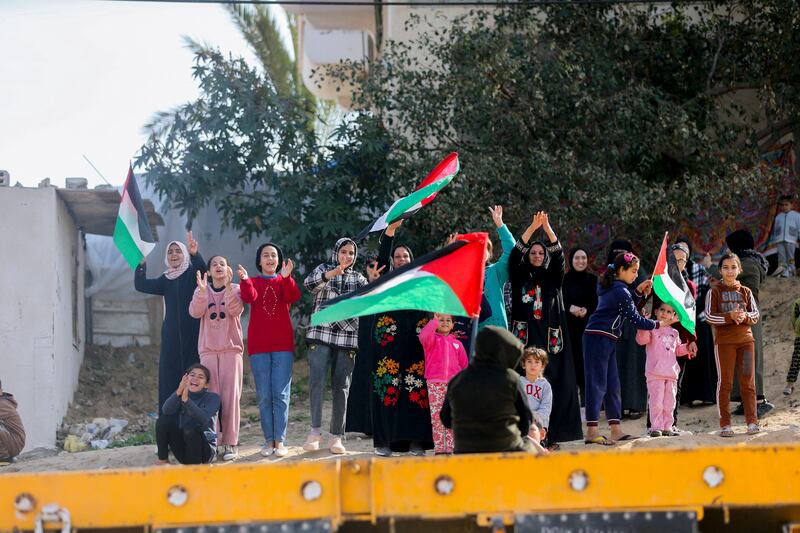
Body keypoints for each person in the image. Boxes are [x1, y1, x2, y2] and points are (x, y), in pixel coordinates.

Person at [583, 252, 676, 445]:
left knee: (612, 385)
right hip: (597, 338)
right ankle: (591, 431)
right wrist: (661, 324)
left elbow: (627, 307)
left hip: (605, 339)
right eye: (633, 271)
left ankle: (615, 430)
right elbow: (635, 319)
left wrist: (638, 293)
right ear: (621, 270)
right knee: (597, 384)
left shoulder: (615, 288)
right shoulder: (620, 291)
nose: (636, 275)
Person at [508, 211, 582, 446]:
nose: (538, 256)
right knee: (524, 384)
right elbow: (514, 256)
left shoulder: (553, 277)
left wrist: (548, 230)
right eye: (534, 253)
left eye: (541, 253)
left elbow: (559, 257)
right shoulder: (520, 275)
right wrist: (531, 228)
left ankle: (552, 436)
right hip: (526, 336)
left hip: (551, 340)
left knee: (553, 385)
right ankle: (524, 437)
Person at [369, 221, 433, 456]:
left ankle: (417, 442)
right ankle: (385, 443)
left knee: (415, 391)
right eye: (398, 256)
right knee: (388, 391)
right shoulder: (386, 279)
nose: (402, 259)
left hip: (416, 345)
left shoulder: (420, 280)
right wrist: (390, 232)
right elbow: (383, 256)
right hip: (388, 346)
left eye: (406, 256)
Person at [303, 237, 368, 454]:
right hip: (321, 333)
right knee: (317, 382)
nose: (347, 256)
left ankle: (336, 437)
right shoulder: (323, 269)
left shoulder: (359, 278)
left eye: (351, 253)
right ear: (336, 253)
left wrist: (374, 281)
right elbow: (309, 285)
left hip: (348, 338)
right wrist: (331, 274)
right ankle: (314, 432)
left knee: (342, 387)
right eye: (344, 252)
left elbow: (368, 302)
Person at [239, 244, 301, 458]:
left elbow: (292, 295)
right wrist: (246, 280)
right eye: (265, 255)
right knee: (264, 395)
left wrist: (285, 277)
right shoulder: (253, 282)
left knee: (281, 394)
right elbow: (249, 297)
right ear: (259, 260)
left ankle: (280, 441)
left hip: (283, 345)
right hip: (259, 346)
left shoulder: (284, 280)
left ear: (279, 260)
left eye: (273, 255)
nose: (270, 258)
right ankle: (268, 441)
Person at [135, 232, 206, 415]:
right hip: (171, 337)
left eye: (178, 251)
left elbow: (204, 273)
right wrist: (141, 264)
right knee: (170, 378)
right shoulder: (165, 279)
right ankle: (170, 422)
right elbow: (140, 285)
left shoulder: (192, 274)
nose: (174, 255)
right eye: (170, 252)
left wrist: (195, 254)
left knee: (194, 375)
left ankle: (193, 421)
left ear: (184, 254)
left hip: (193, 334)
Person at [439, 326, 540, 454]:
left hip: (465, 453)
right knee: (532, 447)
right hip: (507, 450)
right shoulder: (510, 378)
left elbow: (446, 420)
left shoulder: (457, 380)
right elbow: (526, 422)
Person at [188, 256, 244, 461]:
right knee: (210, 398)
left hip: (231, 351)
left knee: (231, 398)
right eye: (214, 264)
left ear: (227, 269)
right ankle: (213, 442)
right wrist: (202, 292)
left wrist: (228, 287)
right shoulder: (201, 289)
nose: (219, 266)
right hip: (209, 352)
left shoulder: (236, 289)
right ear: (209, 272)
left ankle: (230, 442)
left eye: (222, 263)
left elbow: (235, 310)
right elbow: (194, 312)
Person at [715, 229, 772, 417]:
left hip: (747, 318)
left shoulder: (747, 264)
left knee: (750, 360)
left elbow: (725, 274)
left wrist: (709, 266)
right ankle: (745, 400)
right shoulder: (750, 261)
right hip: (740, 317)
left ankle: (759, 400)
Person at [704, 252, 760, 437]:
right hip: (725, 344)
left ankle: (752, 422)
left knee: (748, 383)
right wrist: (730, 316)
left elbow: (755, 315)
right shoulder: (714, 291)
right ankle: (725, 424)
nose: (730, 271)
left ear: (739, 270)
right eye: (726, 267)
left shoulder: (746, 291)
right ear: (720, 270)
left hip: (746, 343)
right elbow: (709, 316)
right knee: (725, 383)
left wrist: (745, 316)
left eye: (733, 267)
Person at [646, 242, 698, 435]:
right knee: (656, 388)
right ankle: (653, 426)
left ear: (686, 262)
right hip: (657, 336)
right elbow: (644, 298)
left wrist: (692, 340)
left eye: (681, 260)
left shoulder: (689, 286)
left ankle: (670, 424)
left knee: (674, 385)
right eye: (674, 259)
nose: (677, 263)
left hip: (679, 339)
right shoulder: (659, 282)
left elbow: (691, 315)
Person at [605, 239, 648, 420]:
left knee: (635, 365)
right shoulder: (607, 275)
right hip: (613, 325)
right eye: (616, 252)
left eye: (623, 252)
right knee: (615, 367)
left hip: (634, 324)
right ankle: (617, 408)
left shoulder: (638, 272)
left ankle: (636, 405)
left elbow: (647, 291)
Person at [636, 303, 689, 437]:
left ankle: (667, 427)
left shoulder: (675, 332)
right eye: (662, 310)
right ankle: (656, 427)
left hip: (671, 374)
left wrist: (688, 347)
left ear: (674, 315)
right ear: (656, 311)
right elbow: (642, 340)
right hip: (655, 373)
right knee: (656, 402)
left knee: (670, 403)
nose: (665, 313)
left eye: (669, 311)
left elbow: (677, 350)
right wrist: (644, 325)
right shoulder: (651, 328)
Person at [418, 313, 468, 454]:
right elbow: (423, 336)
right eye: (441, 320)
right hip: (435, 384)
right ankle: (440, 448)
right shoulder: (431, 340)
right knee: (437, 417)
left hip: (453, 386)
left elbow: (464, 366)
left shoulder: (458, 344)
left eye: (448, 320)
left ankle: (451, 447)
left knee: (452, 415)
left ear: (453, 325)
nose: (445, 322)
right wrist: (434, 320)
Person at [676, 237, 717, 407]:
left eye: (685, 250)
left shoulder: (699, 269)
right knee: (686, 359)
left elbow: (706, 293)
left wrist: (695, 312)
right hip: (680, 321)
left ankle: (707, 395)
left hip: (699, 319)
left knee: (704, 358)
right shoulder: (671, 272)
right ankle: (686, 397)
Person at [156, 364, 221, 465]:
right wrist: (179, 390)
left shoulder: (213, 398)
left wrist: (186, 400)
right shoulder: (181, 394)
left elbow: (203, 419)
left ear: (206, 385)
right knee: (162, 421)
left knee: (190, 429)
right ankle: (163, 462)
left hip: (206, 451)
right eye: (192, 375)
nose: (195, 379)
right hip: (185, 452)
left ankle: (198, 468)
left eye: (200, 377)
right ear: (185, 378)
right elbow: (166, 410)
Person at [562, 247, 598, 405]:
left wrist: (587, 311)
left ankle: (587, 404)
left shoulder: (593, 280)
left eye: (583, 258)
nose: (581, 261)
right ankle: (571, 405)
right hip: (569, 330)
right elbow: (559, 300)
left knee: (587, 366)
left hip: (588, 329)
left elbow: (598, 303)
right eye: (577, 258)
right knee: (571, 366)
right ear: (571, 260)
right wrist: (569, 308)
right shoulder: (563, 280)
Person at [480, 205, 516, 330]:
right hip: (471, 336)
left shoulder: (494, 272)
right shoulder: (462, 276)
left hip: (497, 332)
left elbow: (512, 251)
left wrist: (500, 225)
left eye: (484, 249)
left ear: (489, 253)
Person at [519, 348, 552, 442]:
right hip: (522, 421)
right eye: (529, 361)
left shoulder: (545, 385)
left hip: (538, 423)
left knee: (533, 436)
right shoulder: (518, 382)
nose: (533, 365)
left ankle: (542, 449)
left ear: (542, 366)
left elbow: (546, 408)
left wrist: (534, 419)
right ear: (523, 364)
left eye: (537, 362)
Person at [770, 195, 800, 277]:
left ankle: (792, 272)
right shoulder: (778, 217)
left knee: (790, 257)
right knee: (781, 257)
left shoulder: (796, 216)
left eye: (786, 204)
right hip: (780, 241)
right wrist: (775, 240)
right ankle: (783, 273)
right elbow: (775, 230)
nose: (784, 207)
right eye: (782, 205)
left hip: (791, 240)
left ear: (791, 205)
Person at [0, 379, 25, 464]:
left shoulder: (2, 404)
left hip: (14, 443)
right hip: (9, 439)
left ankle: (3, 457)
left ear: (1, 391)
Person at [785, 295, 800, 396]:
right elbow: (793, 316)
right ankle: (789, 385)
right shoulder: (799, 301)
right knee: (796, 361)